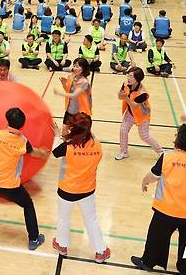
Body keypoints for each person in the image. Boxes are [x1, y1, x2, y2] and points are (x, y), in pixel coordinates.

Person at [131, 124, 186, 275]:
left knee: (156, 238)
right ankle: (185, 269)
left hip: (166, 209)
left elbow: (153, 176)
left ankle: (148, 262)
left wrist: (144, 182)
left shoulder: (168, 157)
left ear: (179, 140)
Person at [0, 108, 50, 250]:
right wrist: (42, 153)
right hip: (10, 186)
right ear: (22, 125)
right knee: (28, 205)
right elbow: (34, 153)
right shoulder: (22, 141)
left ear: (7, 120)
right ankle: (34, 239)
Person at [51, 112, 110, 263]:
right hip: (87, 191)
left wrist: (58, 135)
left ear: (73, 129)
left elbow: (55, 152)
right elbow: (86, 141)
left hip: (66, 191)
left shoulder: (67, 147)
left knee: (63, 219)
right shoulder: (98, 146)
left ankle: (62, 246)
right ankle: (100, 251)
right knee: (91, 220)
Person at [116, 67, 162, 160]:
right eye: (128, 75)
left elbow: (134, 105)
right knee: (123, 130)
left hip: (142, 115)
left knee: (144, 136)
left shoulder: (142, 93)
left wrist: (125, 98)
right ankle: (124, 152)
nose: (128, 78)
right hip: (130, 113)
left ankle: (160, 151)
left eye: (131, 77)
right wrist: (121, 96)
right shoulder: (126, 84)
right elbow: (120, 96)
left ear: (138, 79)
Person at [54, 58, 92, 123]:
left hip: (80, 112)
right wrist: (63, 83)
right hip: (69, 110)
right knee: (64, 129)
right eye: (74, 66)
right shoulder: (71, 77)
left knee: (82, 132)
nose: (75, 68)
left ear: (83, 68)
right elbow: (68, 91)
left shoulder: (84, 82)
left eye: (77, 67)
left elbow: (74, 95)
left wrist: (59, 93)